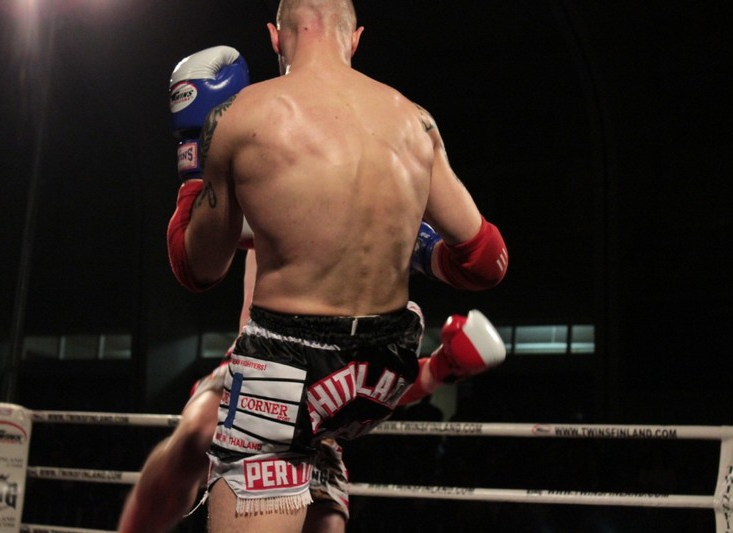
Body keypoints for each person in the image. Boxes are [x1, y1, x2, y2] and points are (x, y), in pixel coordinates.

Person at [167, 1, 508, 530]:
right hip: (379, 375)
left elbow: (198, 269)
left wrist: (194, 155)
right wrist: (420, 248)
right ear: (354, 39)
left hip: (284, 381)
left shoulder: (241, 116)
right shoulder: (415, 121)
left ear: (275, 37)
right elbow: (486, 264)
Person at [117, 247, 506, 533]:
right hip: (258, 370)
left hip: (317, 414)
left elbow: (373, 385)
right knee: (199, 430)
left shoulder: (383, 246)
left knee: (327, 524)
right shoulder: (277, 185)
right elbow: (198, 255)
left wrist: (440, 369)